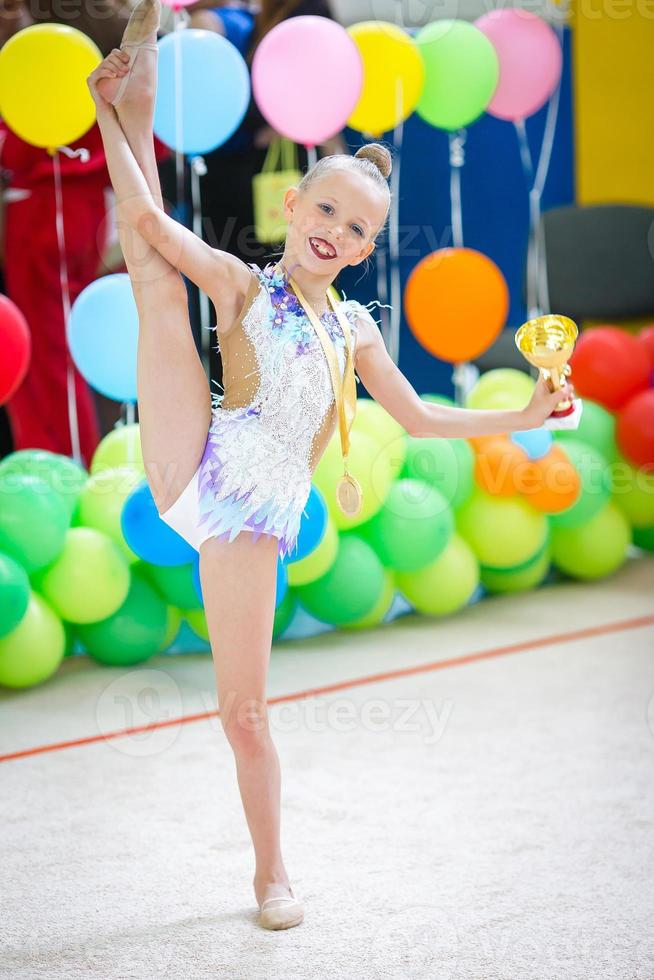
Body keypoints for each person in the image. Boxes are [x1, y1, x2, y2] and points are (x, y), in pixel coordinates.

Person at [86, 0, 574, 931]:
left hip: (254, 520)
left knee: (245, 714)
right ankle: (131, 98)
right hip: (205, 464)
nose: (335, 233)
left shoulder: (353, 327)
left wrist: (522, 407)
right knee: (153, 278)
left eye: (356, 230)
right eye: (326, 210)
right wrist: (114, 124)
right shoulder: (242, 282)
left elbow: (423, 417)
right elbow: (146, 218)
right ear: (293, 205)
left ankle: (271, 873)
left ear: (365, 250)